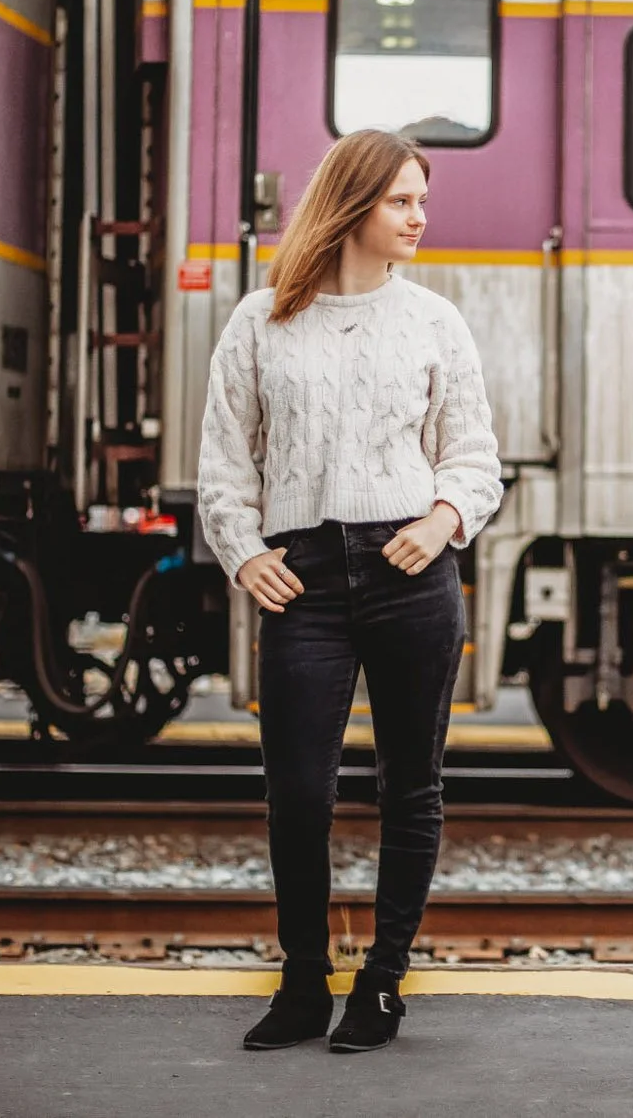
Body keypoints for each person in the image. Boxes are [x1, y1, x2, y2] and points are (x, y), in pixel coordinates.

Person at [197, 128, 503, 1054]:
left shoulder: (434, 321)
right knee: (298, 791)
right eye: (402, 201)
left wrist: (443, 518)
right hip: (304, 580)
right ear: (352, 205)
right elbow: (223, 459)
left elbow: (474, 456)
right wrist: (243, 550)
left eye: (422, 200)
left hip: (413, 571)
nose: (420, 217)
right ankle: (302, 981)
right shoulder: (261, 319)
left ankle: (382, 981)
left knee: (410, 785)